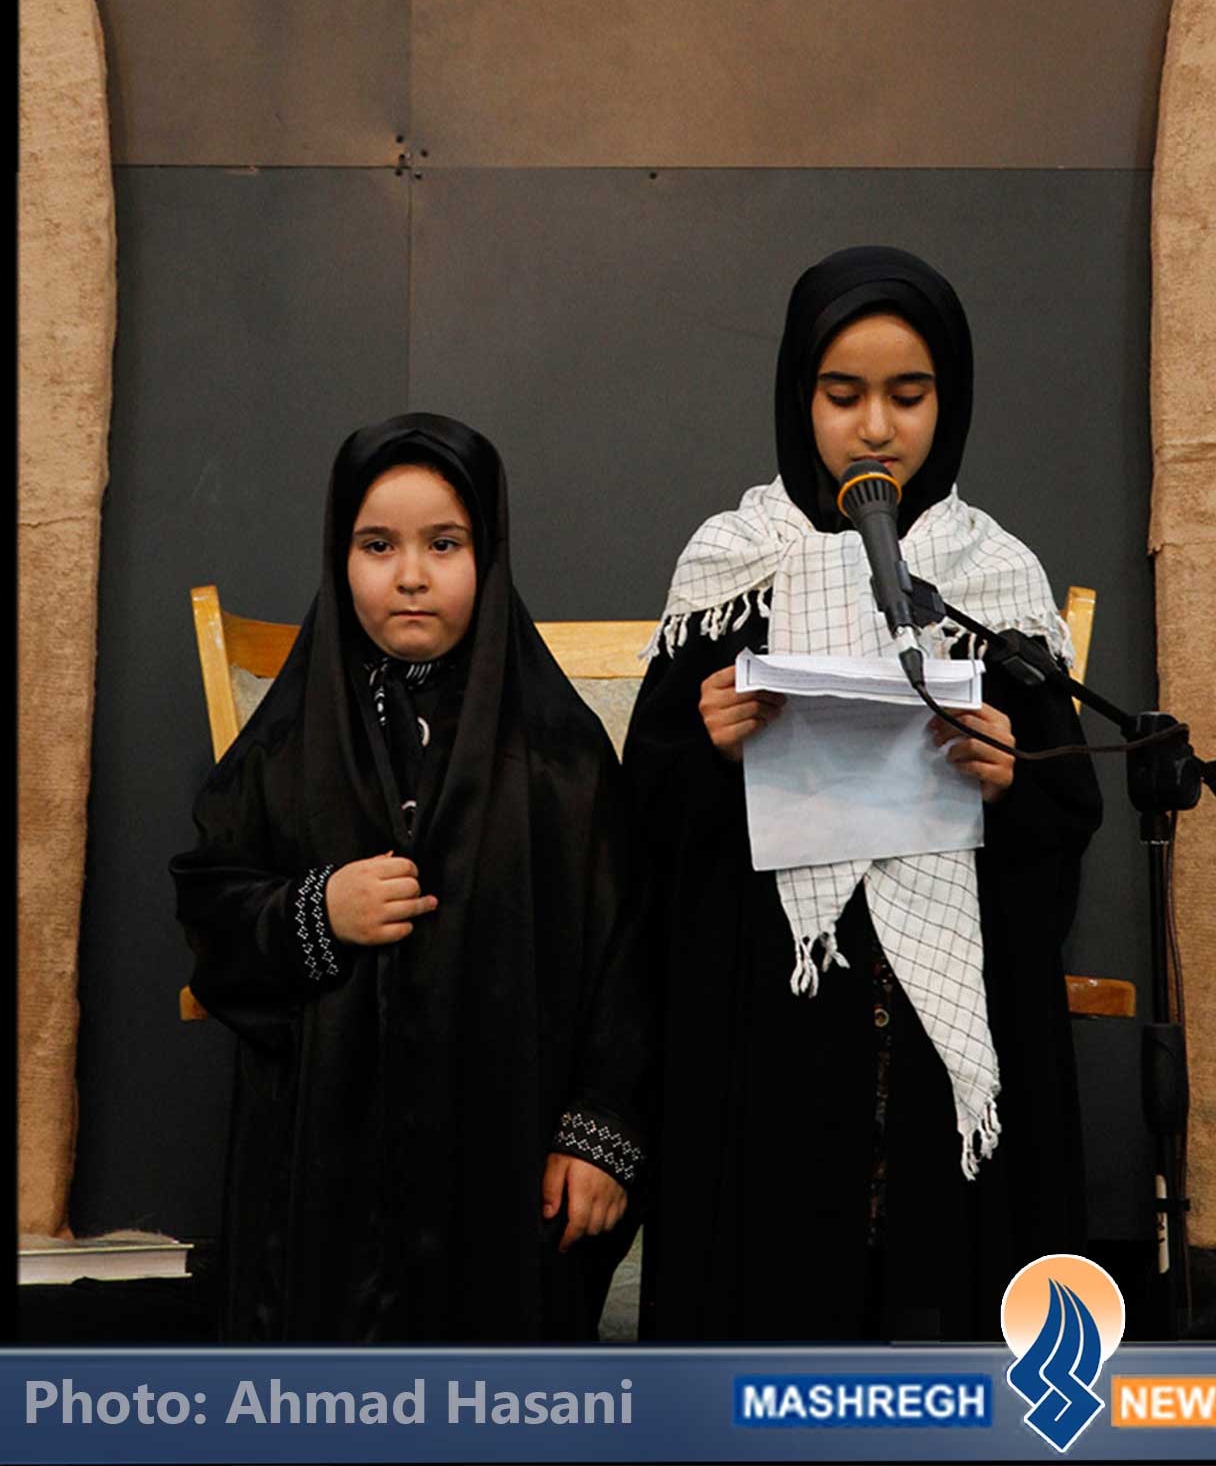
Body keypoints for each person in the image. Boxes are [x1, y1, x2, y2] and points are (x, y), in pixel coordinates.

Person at [626, 246, 1101, 1342]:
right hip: (773, 1011)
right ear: (799, 398)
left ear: (952, 401)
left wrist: (1011, 778)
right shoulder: (732, 564)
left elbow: (1067, 818)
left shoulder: (990, 574)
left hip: (948, 1020)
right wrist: (708, 745)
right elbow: (645, 816)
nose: (875, 428)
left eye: (908, 395)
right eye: (843, 395)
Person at [172, 412, 649, 1342]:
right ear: (338, 555)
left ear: (489, 555)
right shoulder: (287, 746)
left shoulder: (558, 756)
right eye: (377, 545)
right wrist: (317, 911)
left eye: (444, 544)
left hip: (506, 1158)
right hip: (324, 1165)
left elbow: (627, 955)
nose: (411, 575)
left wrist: (598, 1133)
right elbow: (211, 904)